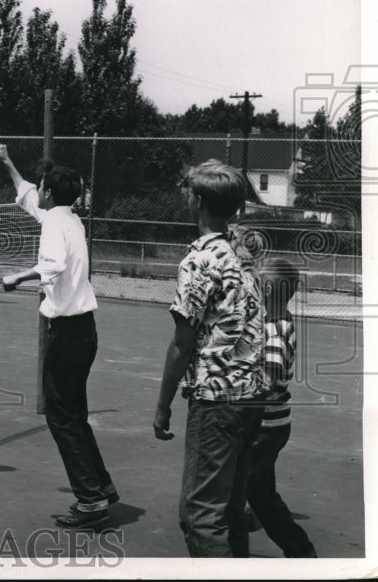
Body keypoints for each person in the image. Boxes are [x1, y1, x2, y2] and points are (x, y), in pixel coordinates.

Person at [0, 141, 117, 529]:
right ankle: (100, 487)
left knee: (61, 418)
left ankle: (91, 500)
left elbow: (53, 265)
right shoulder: (66, 218)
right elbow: (27, 196)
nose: (36, 190)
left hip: (69, 334)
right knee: (73, 415)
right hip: (82, 333)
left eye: (39, 185)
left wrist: (17, 277)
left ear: (49, 190)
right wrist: (8, 162)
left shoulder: (55, 225)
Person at [153, 159, 266, 557]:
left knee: (200, 514)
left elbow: (183, 344)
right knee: (232, 510)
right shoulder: (243, 254)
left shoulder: (198, 261)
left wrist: (163, 406)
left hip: (217, 399)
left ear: (197, 201)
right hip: (251, 393)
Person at [245, 257, 317, 558]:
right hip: (271, 426)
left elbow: (271, 373)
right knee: (261, 494)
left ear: (269, 293)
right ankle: (300, 551)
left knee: (236, 486)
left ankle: (224, 551)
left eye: (260, 285)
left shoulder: (277, 329)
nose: (256, 290)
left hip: (266, 427)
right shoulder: (277, 322)